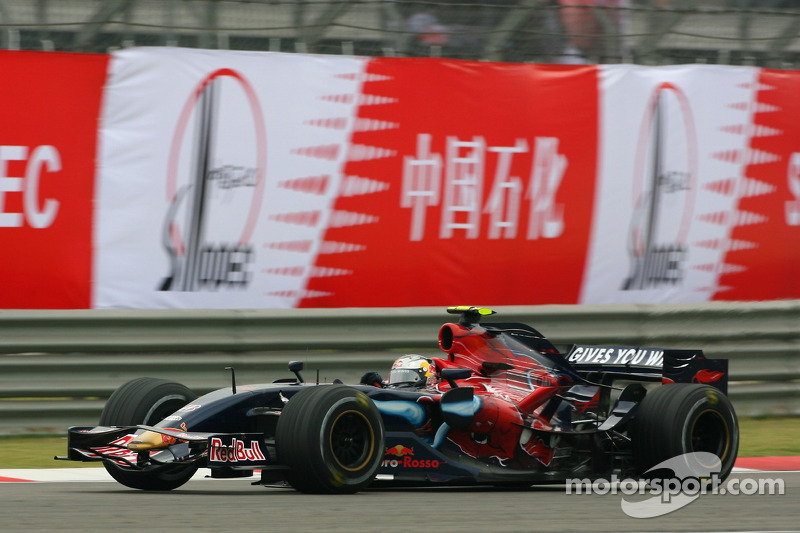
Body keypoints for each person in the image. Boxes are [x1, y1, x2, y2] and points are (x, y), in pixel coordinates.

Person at [360, 354, 438, 389]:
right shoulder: (388, 387)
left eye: (407, 377)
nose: (399, 385)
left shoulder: (438, 391)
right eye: (397, 377)